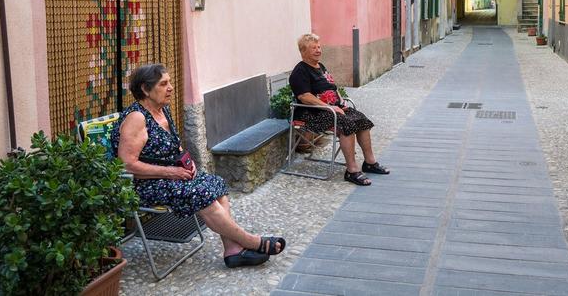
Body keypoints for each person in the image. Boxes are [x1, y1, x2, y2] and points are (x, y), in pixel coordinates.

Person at [111, 63, 286, 268]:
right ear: (145, 89)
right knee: (201, 193)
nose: (170, 88)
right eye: (163, 84)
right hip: (143, 184)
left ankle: (232, 249)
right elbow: (127, 165)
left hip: (169, 177)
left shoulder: (162, 111)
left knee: (216, 183)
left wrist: (188, 163)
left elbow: (174, 146)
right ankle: (252, 241)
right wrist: (171, 172)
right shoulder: (137, 118)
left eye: (169, 82)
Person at [289, 33, 390, 186]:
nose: (318, 50)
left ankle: (370, 163)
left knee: (362, 120)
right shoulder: (300, 71)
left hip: (332, 109)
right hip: (311, 113)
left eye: (319, 47)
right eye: (313, 48)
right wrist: (330, 107)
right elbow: (304, 97)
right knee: (346, 125)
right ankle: (352, 170)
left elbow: (331, 87)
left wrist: (340, 102)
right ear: (303, 51)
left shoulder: (320, 67)